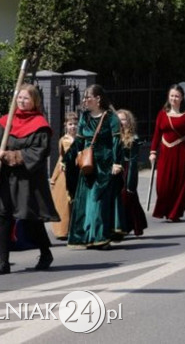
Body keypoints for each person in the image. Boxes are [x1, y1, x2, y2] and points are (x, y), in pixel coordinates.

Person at [0, 83, 58, 275]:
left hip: (27, 179)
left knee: (31, 219)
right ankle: (4, 263)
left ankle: (45, 253)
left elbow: (38, 153)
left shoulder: (40, 125)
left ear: (34, 101)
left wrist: (9, 155)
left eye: (26, 98)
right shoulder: (6, 121)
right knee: (4, 219)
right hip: (5, 178)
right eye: (19, 98)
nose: (22, 101)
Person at [64, 84, 123, 250]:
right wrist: (67, 159)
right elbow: (79, 141)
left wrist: (117, 163)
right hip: (88, 165)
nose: (84, 101)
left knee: (98, 201)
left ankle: (101, 237)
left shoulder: (111, 118)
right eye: (84, 98)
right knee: (85, 202)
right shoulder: (84, 117)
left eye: (87, 98)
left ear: (98, 99)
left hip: (105, 165)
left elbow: (116, 142)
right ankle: (85, 238)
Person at [150, 84, 185, 222]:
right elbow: (157, 134)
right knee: (162, 184)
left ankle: (175, 213)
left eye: (177, 96)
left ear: (182, 98)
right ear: (168, 97)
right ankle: (164, 209)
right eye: (172, 95)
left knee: (180, 183)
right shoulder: (162, 114)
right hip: (165, 152)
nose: (174, 98)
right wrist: (153, 152)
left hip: (182, 152)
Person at [114, 109, 146, 238]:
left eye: (123, 119)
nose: (121, 122)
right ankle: (126, 225)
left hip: (126, 170)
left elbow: (133, 161)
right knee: (119, 199)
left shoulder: (133, 138)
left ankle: (131, 225)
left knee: (127, 197)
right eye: (118, 119)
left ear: (129, 121)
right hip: (114, 169)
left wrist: (131, 180)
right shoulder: (113, 135)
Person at [49, 111, 77, 240]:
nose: (73, 126)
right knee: (64, 203)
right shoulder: (63, 140)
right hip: (65, 174)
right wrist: (54, 177)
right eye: (70, 124)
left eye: (75, 124)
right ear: (66, 125)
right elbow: (61, 158)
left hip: (79, 171)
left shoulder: (82, 138)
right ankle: (63, 230)